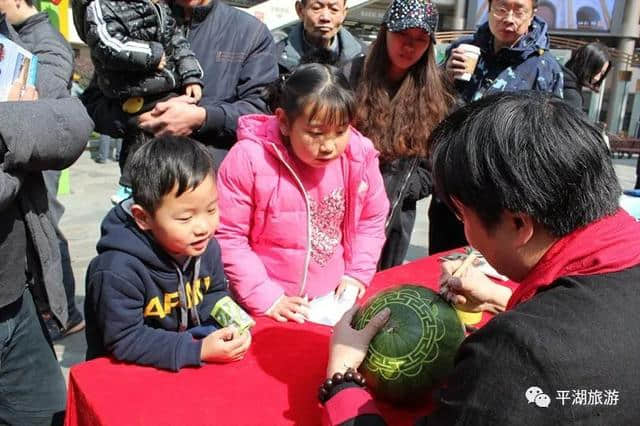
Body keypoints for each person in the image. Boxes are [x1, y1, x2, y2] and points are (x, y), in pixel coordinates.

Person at [322, 91, 640, 424]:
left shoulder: (514, 357)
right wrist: (502, 297)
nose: (464, 230)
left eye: (462, 215)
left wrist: (341, 377)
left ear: (518, 224)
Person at [215, 63, 389, 322]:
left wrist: (356, 274)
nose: (329, 146)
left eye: (340, 131)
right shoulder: (249, 158)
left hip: (332, 299)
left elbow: (371, 220)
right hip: (266, 305)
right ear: (284, 121)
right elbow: (228, 235)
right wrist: (266, 296)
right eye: (315, 133)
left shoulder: (358, 155)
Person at [73, 0, 278, 201]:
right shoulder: (139, 15)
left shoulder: (251, 33)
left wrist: (203, 118)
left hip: (217, 197)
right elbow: (93, 102)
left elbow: (261, 112)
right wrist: (140, 118)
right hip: (147, 191)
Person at [84, 136, 252, 371]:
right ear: (143, 217)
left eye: (211, 209)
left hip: (182, 369)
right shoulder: (117, 269)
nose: (203, 227)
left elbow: (213, 293)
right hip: (126, 376)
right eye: (185, 218)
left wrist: (238, 323)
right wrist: (197, 350)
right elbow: (125, 339)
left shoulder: (206, 246)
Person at [0, 14, 94, 421]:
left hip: (16, 302)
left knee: (51, 414)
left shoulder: (11, 44)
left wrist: (7, 130)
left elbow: (73, 126)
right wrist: (20, 126)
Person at [430, 0, 564, 254]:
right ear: (489, 10)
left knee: (488, 276)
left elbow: (551, 138)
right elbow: (432, 104)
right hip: (452, 187)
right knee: (441, 265)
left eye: (519, 10)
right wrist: (442, 76)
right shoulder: (462, 49)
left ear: (532, 14)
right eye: (501, 8)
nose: (509, 18)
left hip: (502, 198)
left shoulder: (545, 68)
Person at [349, 0, 454, 269]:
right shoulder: (351, 74)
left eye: (420, 40)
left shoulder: (437, 94)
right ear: (385, 31)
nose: (409, 46)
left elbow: (439, 159)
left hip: (396, 212)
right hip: (348, 199)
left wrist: (409, 188)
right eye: (402, 35)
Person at [73, 0, 204, 202]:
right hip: (131, 86)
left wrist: (191, 75)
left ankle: (170, 181)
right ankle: (130, 186)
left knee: (163, 131)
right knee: (143, 127)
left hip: (164, 84)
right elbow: (108, 43)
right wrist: (152, 54)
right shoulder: (100, 6)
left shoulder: (160, 6)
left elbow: (177, 42)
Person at [275, 0, 365, 75]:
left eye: (334, 9)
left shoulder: (363, 57)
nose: (325, 18)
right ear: (300, 10)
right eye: (316, 8)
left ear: (344, 14)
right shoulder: (275, 56)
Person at [563, 42, 610, 110]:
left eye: (602, 74)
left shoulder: (558, 78)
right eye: (596, 71)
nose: (597, 78)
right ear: (584, 64)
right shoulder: (572, 96)